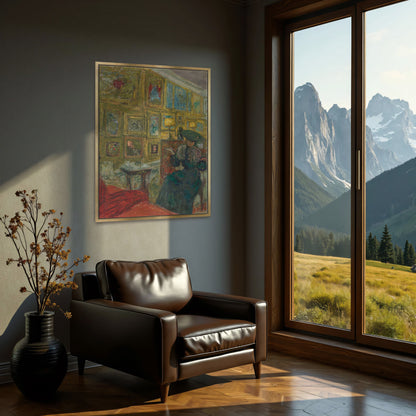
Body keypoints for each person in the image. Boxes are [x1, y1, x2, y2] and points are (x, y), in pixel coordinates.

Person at [156, 130, 206, 215]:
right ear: (186, 140)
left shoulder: (196, 151)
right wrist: (173, 155)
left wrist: (201, 163)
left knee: (184, 187)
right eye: (189, 140)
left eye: (193, 141)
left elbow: (199, 167)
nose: (191, 143)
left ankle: (182, 210)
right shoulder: (181, 149)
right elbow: (176, 163)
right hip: (184, 172)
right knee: (169, 179)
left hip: (193, 175)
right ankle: (167, 206)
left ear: (194, 142)